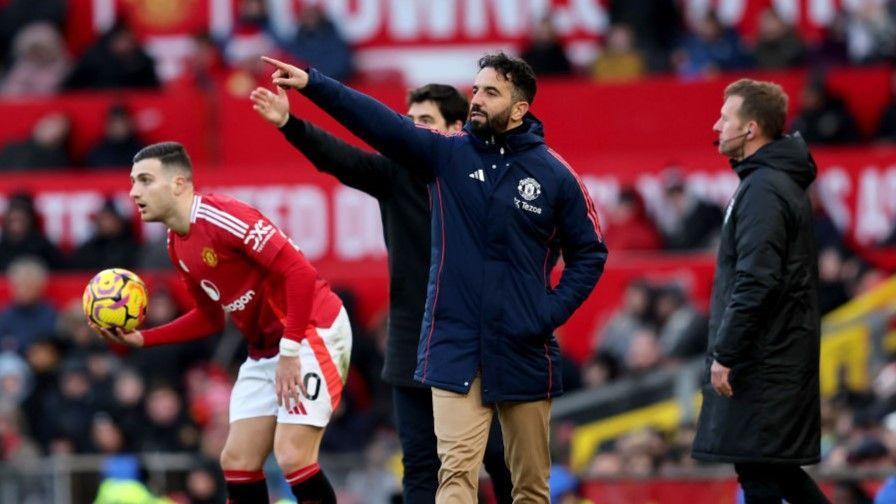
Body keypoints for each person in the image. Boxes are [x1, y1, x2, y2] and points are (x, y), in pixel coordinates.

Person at [263, 52, 607, 502]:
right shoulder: (447, 155)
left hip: (523, 347)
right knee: (454, 476)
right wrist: (314, 83)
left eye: (490, 92)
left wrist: (548, 312)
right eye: (476, 89)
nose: (476, 99)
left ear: (520, 108)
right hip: (455, 344)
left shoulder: (555, 175)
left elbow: (591, 252)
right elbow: (378, 123)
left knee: (527, 486)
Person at [250, 82, 514, 502]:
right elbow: (341, 159)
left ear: (457, 127)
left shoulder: (490, 180)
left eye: (424, 121)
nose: (411, 130)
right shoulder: (395, 175)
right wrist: (289, 123)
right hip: (414, 346)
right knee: (422, 466)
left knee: (501, 457)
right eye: (407, 121)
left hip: (480, 344)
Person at [91, 142, 350, 504]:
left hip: (310, 331)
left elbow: (300, 273)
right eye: (133, 182)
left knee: (292, 455)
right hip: (265, 350)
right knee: (237, 460)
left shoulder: (224, 217)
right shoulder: (176, 245)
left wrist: (291, 349)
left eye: (145, 180)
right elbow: (211, 318)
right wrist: (144, 339)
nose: (134, 192)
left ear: (179, 183)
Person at [692, 79, 829, 503]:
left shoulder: (764, 188)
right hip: (776, 354)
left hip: (766, 358)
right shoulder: (767, 183)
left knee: (760, 472)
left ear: (751, 129)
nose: (717, 125)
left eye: (725, 117)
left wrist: (727, 352)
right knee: (774, 470)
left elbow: (757, 279)